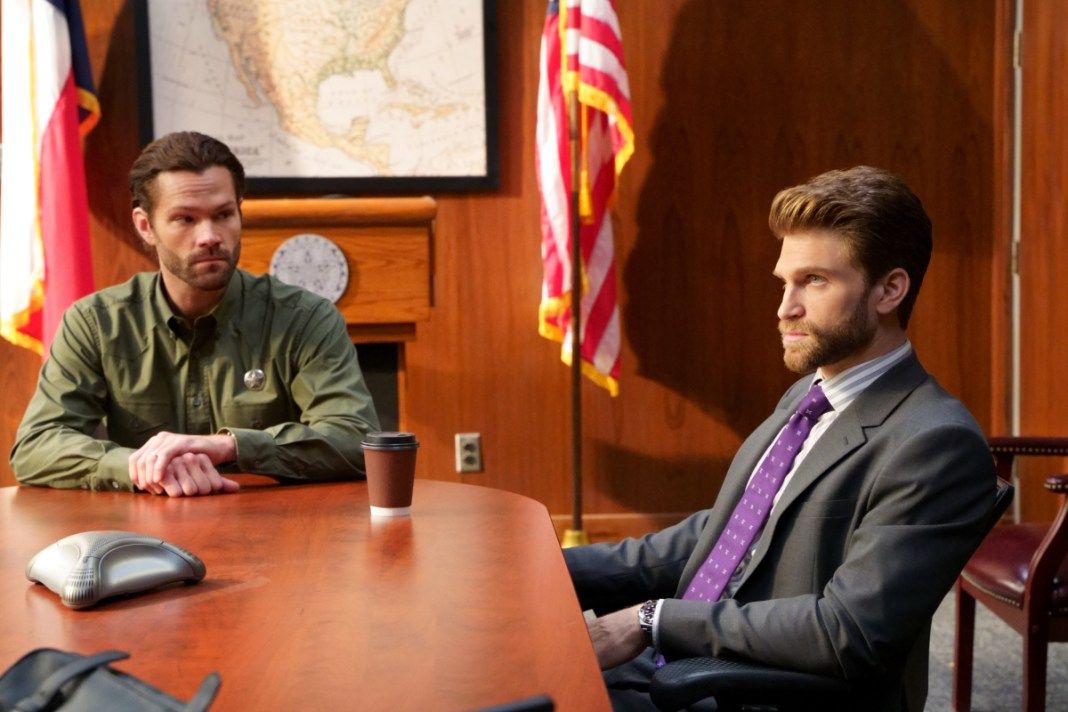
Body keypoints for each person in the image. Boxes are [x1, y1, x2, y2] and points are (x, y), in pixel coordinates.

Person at [564, 166, 995, 711]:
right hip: (680, 663)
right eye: (784, 282)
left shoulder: (935, 443)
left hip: (747, 690)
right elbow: (729, 533)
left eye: (814, 280)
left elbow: (848, 632)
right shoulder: (808, 396)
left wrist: (654, 620)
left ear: (890, 290)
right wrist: (553, 569)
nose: (785, 308)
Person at [10, 131, 380, 496]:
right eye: (186, 219)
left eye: (223, 214)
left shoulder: (304, 318)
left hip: (276, 523)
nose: (210, 236)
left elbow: (356, 438)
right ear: (145, 226)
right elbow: (36, 446)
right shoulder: (96, 323)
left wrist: (229, 446)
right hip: (142, 528)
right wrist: (139, 465)